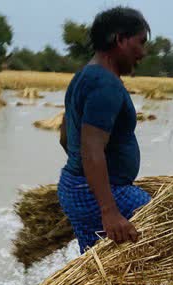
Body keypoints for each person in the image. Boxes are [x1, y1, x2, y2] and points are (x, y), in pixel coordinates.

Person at [57, 7, 150, 254]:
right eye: (140, 43)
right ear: (120, 39)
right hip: (95, 195)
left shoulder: (83, 76)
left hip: (76, 188)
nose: (143, 53)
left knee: (100, 275)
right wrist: (108, 210)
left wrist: (80, 175)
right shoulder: (106, 85)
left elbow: (65, 136)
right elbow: (91, 148)